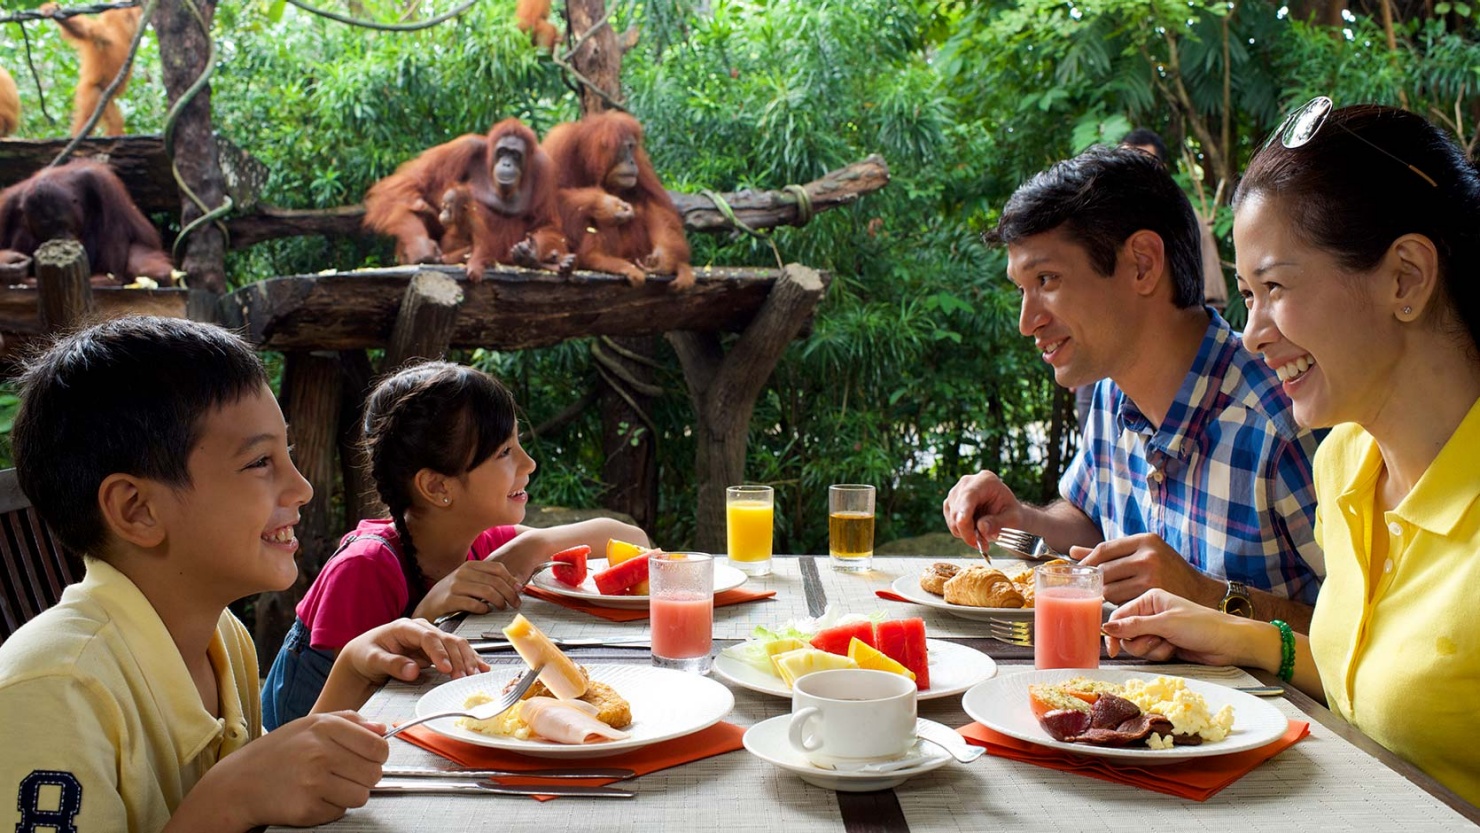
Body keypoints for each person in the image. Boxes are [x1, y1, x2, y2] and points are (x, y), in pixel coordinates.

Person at [1103, 101, 1480, 806]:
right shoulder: (1346, 464)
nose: (1251, 335)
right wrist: (1236, 632)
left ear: (1405, 278)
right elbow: (1379, 684)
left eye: (1274, 287)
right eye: (1246, 295)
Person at [0, 316, 487, 831]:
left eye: (289, 454)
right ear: (137, 510)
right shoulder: (53, 692)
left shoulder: (221, 635)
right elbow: (243, 801)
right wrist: (229, 799)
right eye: (260, 461)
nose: (302, 489)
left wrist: (349, 672)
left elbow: (272, 783)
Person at [944, 145, 1323, 630]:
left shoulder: (1283, 417)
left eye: (1047, 279)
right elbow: (1088, 522)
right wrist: (1020, 517)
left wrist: (1205, 596)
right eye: (1023, 289)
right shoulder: (1111, 393)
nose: (1027, 322)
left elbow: (1366, 639)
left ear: (1142, 264)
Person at [262, 360, 649, 729]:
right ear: (437, 487)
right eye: (505, 452)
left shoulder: (483, 543)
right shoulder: (365, 567)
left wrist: (531, 546)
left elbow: (633, 539)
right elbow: (359, 705)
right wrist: (427, 611)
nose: (529, 464)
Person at [1075, 127, 1232, 429]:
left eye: (1143, 163)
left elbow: (1210, 297)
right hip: (1102, 370)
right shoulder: (1098, 227)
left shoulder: (1186, 220)